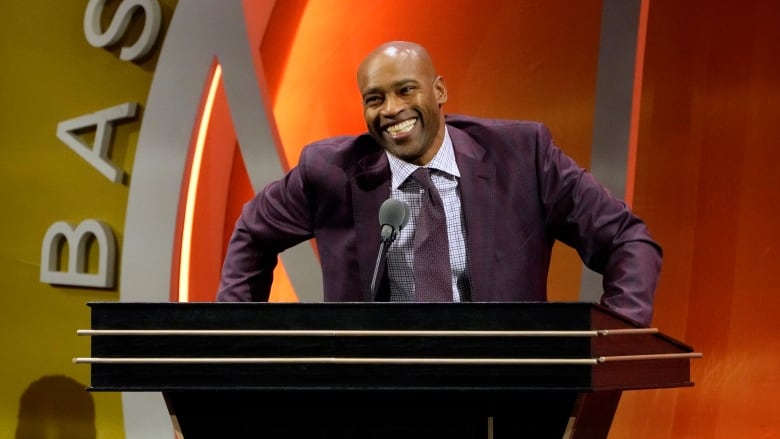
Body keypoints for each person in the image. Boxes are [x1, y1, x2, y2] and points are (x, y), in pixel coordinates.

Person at [216, 40, 662, 326]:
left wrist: (614, 338)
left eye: (406, 90)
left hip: (502, 395)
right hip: (379, 402)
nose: (390, 109)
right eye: (375, 99)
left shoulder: (522, 155)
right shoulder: (329, 171)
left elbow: (627, 239)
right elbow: (253, 232)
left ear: (439, 92)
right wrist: (234, 342)